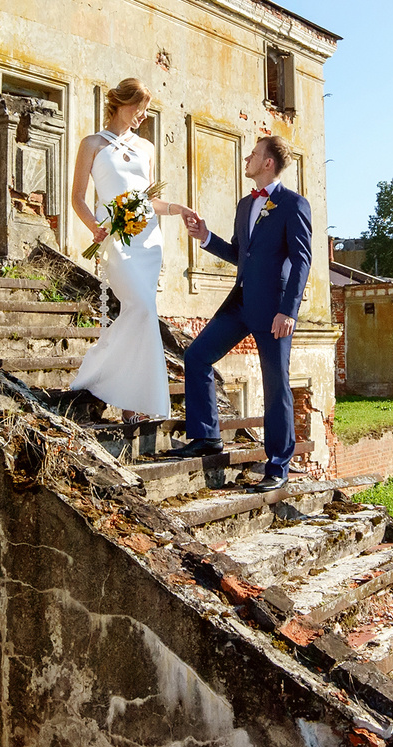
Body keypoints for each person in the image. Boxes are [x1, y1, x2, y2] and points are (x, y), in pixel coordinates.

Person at [170, 134, 313, 485]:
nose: (246, 158)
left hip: (275, 311)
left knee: (275, 384)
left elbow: (301, 261)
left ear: (268, 163)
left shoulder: (294, 205)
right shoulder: (245, 206)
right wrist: (205, 238)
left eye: (253, 154)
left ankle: (277, 466)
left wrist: (289, 310)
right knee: (197, 356)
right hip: (240, 304)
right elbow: (241, 255)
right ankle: (207, 437)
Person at [64, 80, 171, 420]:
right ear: (123, 103)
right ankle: (99, 373)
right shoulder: (92, 144)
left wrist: (177, 211)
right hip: (114, 239)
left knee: (141, 311)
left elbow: (149, 199)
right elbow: (78, 197)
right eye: (140, 107)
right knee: (138, 307)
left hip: (147, 239)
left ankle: (131, 402)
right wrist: (95, 228)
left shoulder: (147, 148)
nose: (144, 114)